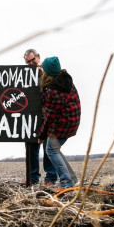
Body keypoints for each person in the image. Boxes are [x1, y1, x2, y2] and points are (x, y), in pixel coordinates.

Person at [37, 56, 80, 190]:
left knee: (51, 150)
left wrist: (41, 135)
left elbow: (49, 117)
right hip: (71, 121)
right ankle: (72, 179)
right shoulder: (65, 80)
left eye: (43, 69)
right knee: (56, 150)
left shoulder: (54, 91)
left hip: (62, 124)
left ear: (47, 72)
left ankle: (67, 183)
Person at [23, 49, 57, 186]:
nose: (31, 63)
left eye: (32, 60)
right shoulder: (24, 75)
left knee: (49, 149)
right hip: (31, 117)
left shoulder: (48, 70)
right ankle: (33, 178)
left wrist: (43, 71)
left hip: (47, 116)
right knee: (31, 149)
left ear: (38, 57)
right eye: (28, 62)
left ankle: (50, 178)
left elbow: (55, 85)